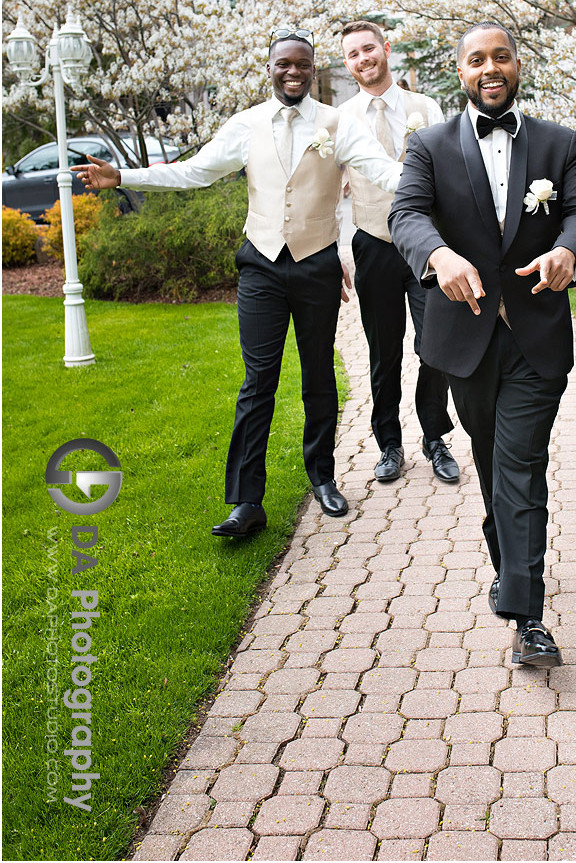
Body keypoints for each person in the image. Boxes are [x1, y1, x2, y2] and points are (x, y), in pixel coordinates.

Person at [76, 30, 402, 536]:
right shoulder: (247, 124)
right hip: (262, 265)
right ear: (269, 68)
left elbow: (384, 172)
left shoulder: (339, 124)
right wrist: (125, 178)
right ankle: (246, 501)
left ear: (313, 70)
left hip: (316, 265)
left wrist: (440, 180)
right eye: (283, 64)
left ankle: (323, 478)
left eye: (302, 64)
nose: (293, 72)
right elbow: (195, 172)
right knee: (258, 381)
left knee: (318, 375)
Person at [389, 21, 576, 668]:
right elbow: (406, 215)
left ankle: (526, 616)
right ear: (460, 72)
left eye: (501, 57)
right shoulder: (427, 146)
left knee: (520, 466)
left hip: (536, 339)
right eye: (476, 59)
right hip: (464, 340)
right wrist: (438, 256)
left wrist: (568, 247)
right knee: (491, 465)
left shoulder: (558, 142)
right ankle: (512, 562)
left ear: (517, 64)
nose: (490, 68)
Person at [339, 20, 457, 484]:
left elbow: (451, 168)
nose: (363, 59)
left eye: (369, 48)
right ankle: (389, 443)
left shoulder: (424, 106)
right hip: (373, 242)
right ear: (348, 64)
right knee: (383, 352)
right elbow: (332, 191)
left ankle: (434, 437)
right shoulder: (341, 117)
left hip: (427, 244)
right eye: (353, 54)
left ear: (385, 49)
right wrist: (336, 252)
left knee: (435, 346)